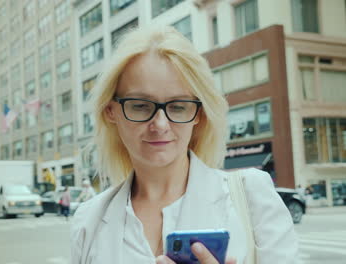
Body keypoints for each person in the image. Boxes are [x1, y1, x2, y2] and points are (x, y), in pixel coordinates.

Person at [70, 26, 300, 264]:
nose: (160, 124)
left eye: (178, 106)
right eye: (140, 105)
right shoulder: (89, 220)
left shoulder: (252, 196)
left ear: (199, 113)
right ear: (111, 111)